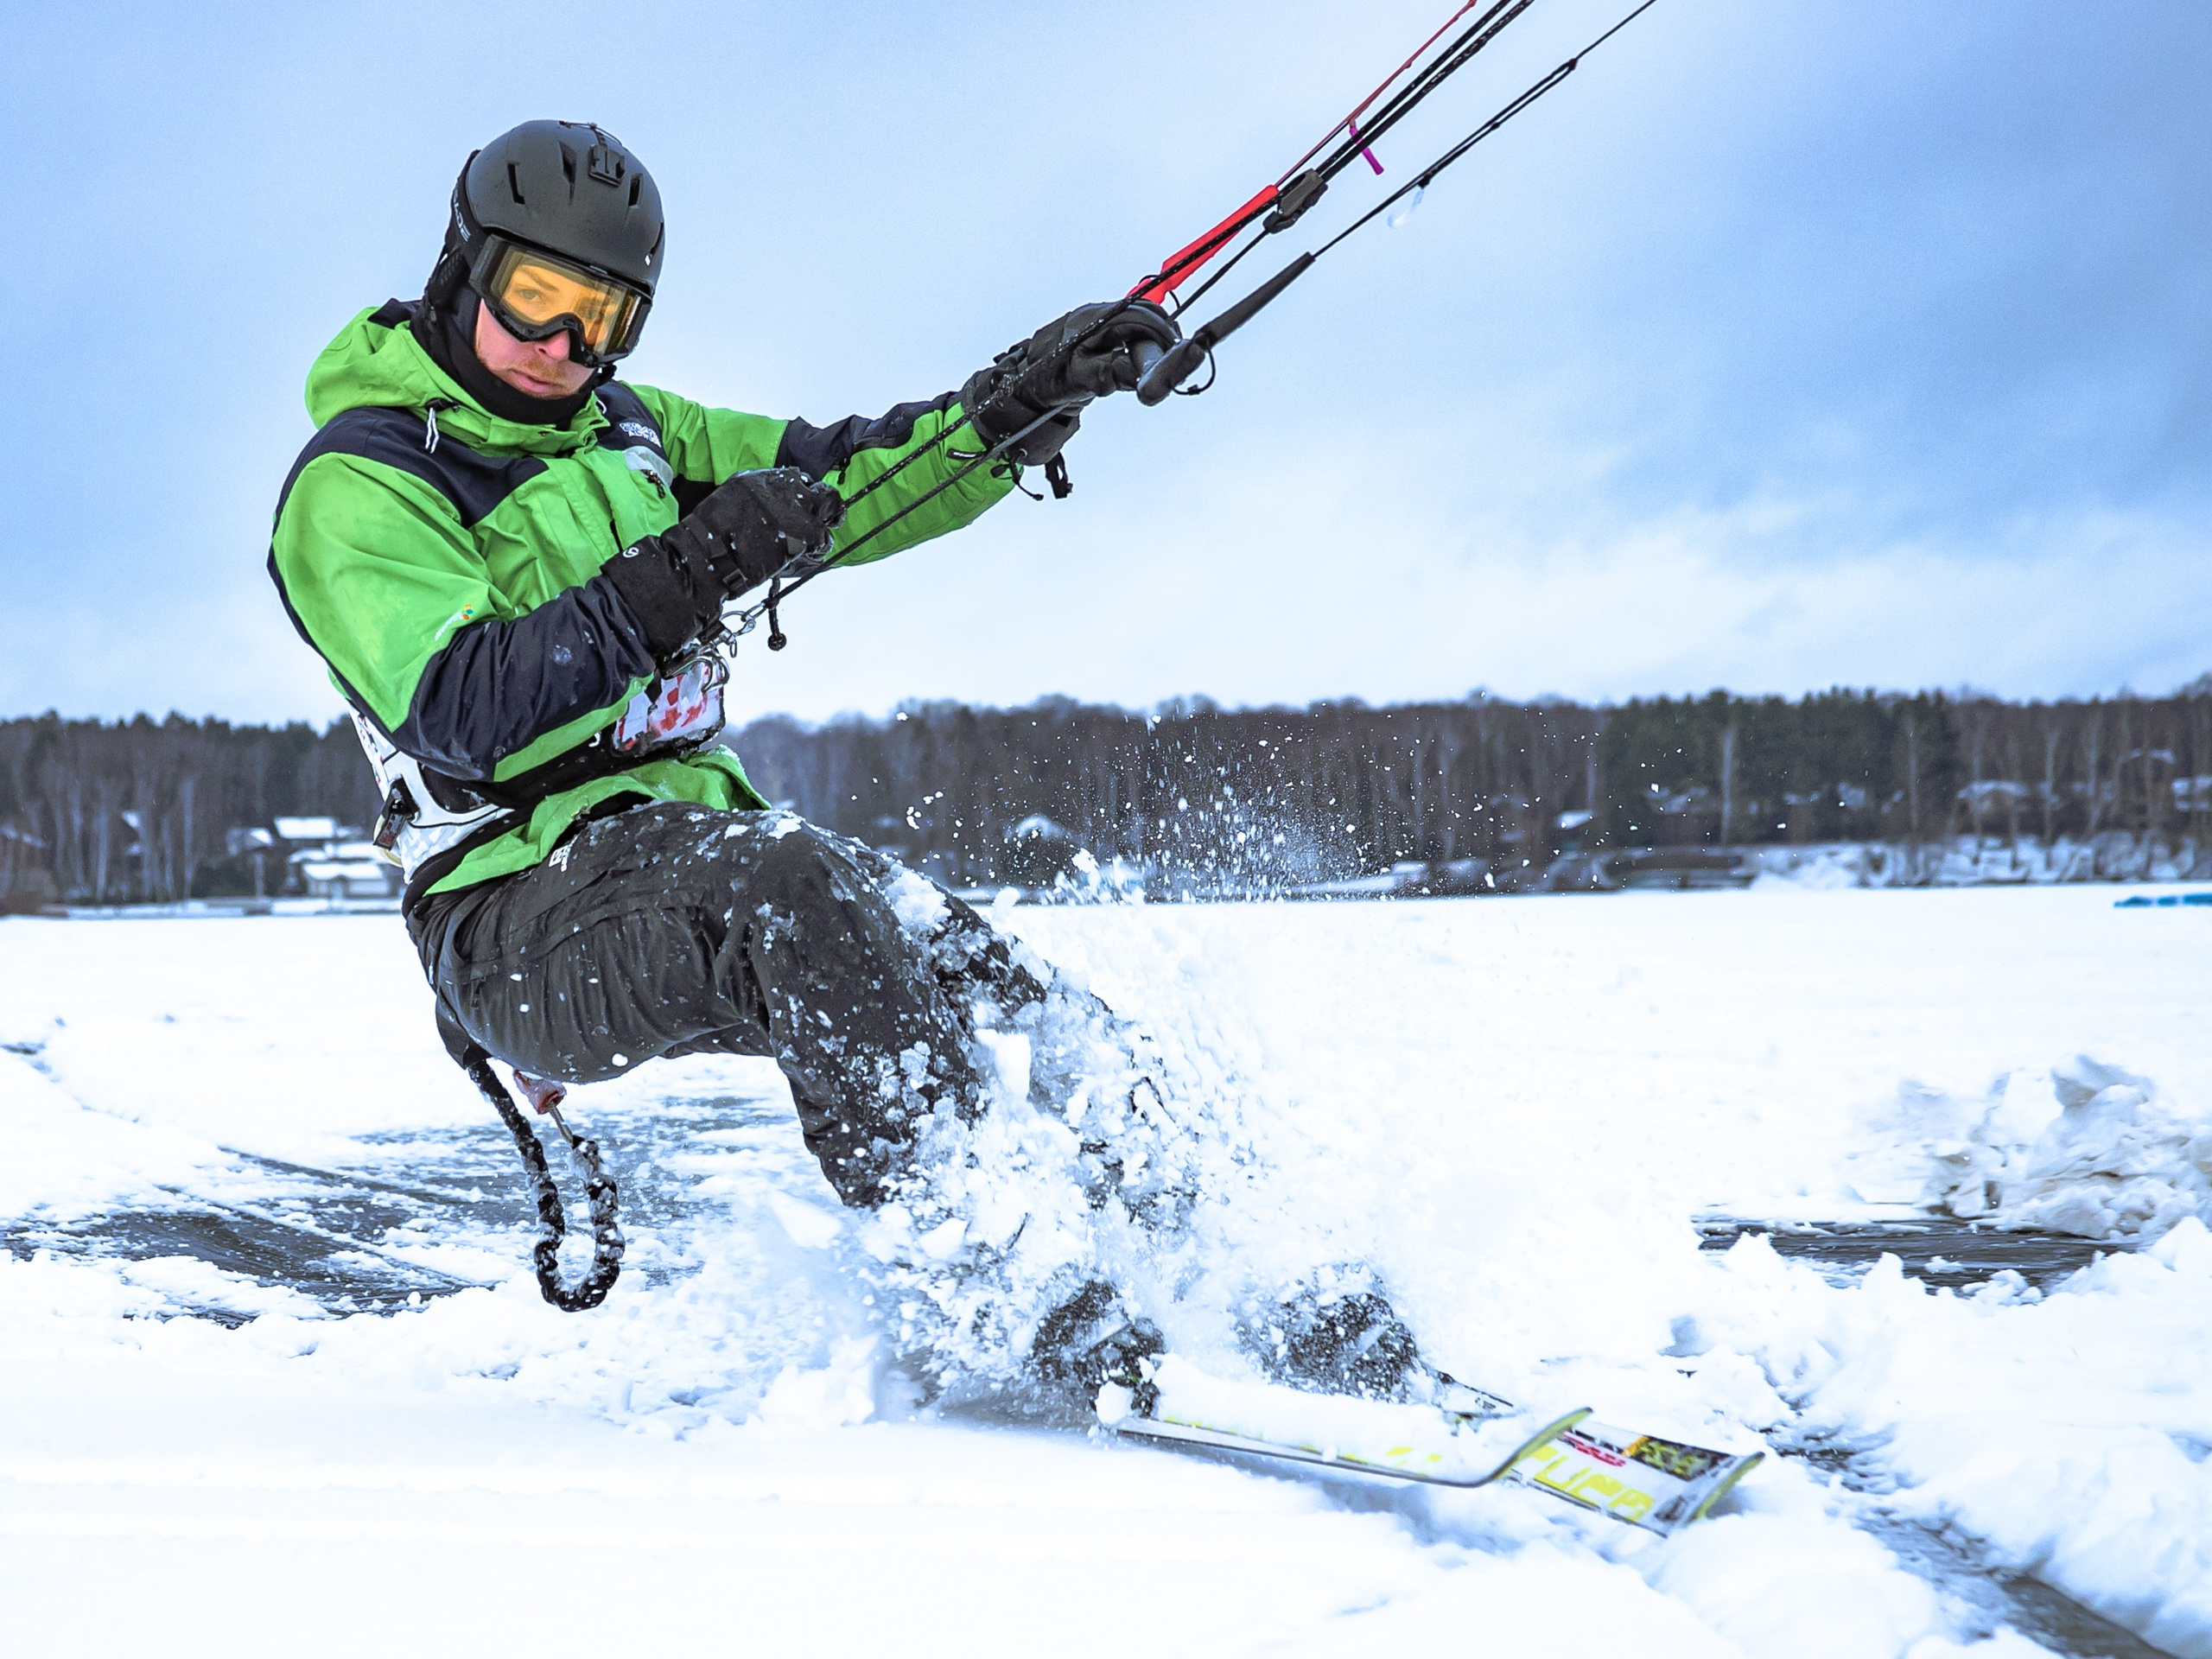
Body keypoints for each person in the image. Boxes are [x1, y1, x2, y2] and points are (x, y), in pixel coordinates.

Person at [270, 119, 1412, 1401]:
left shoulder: (634, 433)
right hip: (509, 917)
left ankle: (1244, 1269)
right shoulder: (366, 482)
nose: (563, 348)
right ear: (463, 268)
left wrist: (1026, 398)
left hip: (683, 858)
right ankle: (1013, 1279)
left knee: (1005, 990)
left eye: (605, 320)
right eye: (536, 300)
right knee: (789, 885)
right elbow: (463, 705)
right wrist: (686, 568)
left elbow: (854, 478)